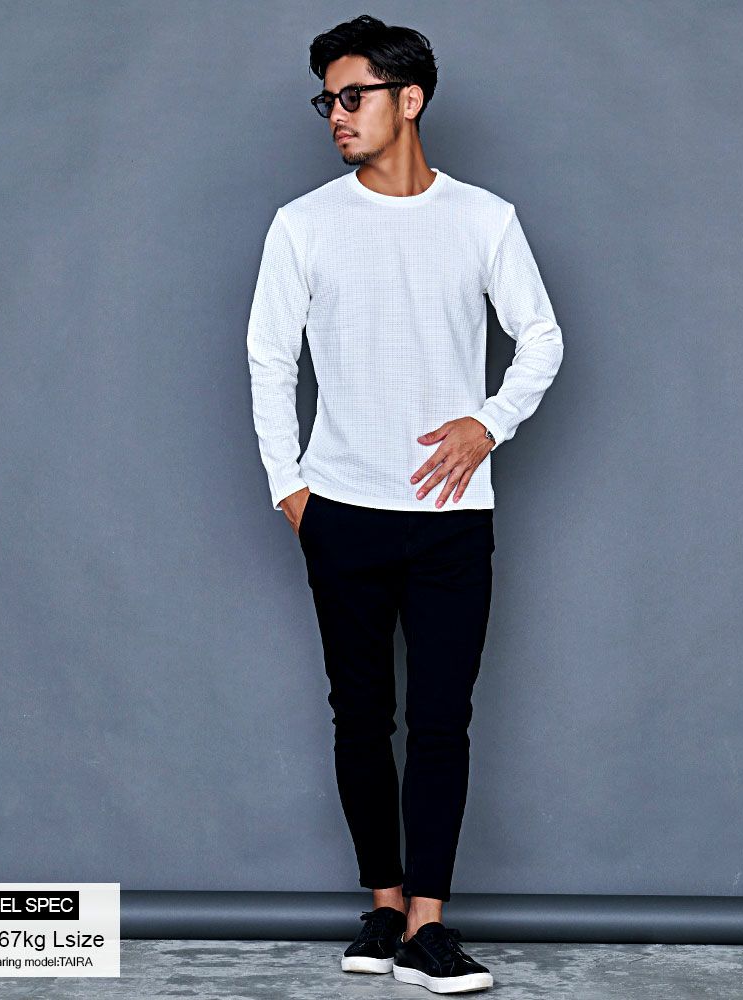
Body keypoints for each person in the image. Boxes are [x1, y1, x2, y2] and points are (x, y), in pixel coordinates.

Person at [246, 13, 564, 995]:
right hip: (339, 509)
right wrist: (290, 487)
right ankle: (384, 907)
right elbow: (268, 358)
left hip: (451, 518)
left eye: (354, 95)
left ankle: (429, 925)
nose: (336, 114)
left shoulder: (483, 219)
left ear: (409, 99)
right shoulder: (303, 223)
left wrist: (489, 423)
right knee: (358, 716)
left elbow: (541, 336)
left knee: (439, 722)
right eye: (327, 100)